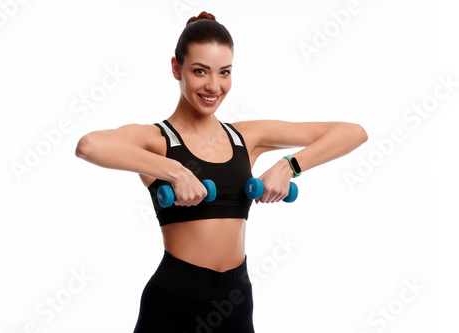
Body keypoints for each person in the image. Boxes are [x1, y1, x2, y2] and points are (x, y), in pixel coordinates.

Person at [75, 11, 368, 333]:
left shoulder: (247, 138)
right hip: (174, 300)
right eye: (200, 71)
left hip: (236, 299)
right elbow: (90, 146)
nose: (213, 86)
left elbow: (352, 132)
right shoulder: (155, 139)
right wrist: (175, 171)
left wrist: (289, 166)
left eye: (224, 72)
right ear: (177, 68)